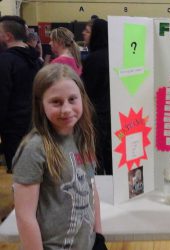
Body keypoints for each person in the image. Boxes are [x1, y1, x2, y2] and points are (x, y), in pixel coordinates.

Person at [12, 64, 107, 250]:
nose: (66, 109)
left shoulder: (83, 136)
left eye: (72, 99)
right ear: (41, 105)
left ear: (82, 98)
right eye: (56, 102)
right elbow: (25, 216)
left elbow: (90, 187)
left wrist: (99, 234)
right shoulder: (34, 149)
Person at [0, 15, 42, 173]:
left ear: (8, 36)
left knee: (18, 173)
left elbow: (2, 97)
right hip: (35, 123)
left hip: (13, 127)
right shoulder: (36, 60)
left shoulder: (5, 61)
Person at [81, 18, 112, 175]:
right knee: (111, 153)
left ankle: (100, 186)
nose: (83, 34)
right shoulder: (114, 55)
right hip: (113, 112)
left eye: (87, 31)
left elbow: (88, 90)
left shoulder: (94, 59)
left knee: (98, 152)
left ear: (97, 34)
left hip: (97, 113)